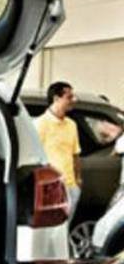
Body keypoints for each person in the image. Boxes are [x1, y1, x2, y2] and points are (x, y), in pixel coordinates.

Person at [35, 81, 82, 218]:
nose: (74, 100)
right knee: (53, 225)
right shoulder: (40, 124)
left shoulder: (71, 125)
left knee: (66, 224)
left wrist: (78, 180)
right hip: (53, 186)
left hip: (71, 185)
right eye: (69, 97)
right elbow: (36, 158)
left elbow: (75, 154)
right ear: (56, 98)